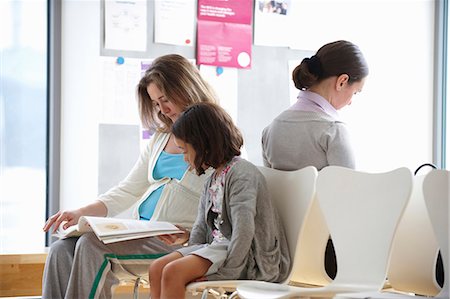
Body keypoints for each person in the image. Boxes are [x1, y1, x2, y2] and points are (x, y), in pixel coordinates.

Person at [41, 54, 218, 299]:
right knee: (61, 249)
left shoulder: (218, 138)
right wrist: (80, 213)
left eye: (165, 100)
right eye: (156, 103)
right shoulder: (161, 138)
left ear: (186, 89)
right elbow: (127, 190)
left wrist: (190, 235)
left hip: (178, 243)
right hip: (140, 233)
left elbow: (223, 209)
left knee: (92, 246)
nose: (163, 110)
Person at [149, 102, 291, 299]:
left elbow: (244, 231)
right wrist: (187, 242)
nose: (184, 158)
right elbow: (201, 230)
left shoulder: (242, 173)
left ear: (202, 144)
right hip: (219, 248)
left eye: (184, 151)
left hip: (246, 257)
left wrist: (226, 273)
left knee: (173, 272)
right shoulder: (212, 179)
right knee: (157, 268)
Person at [261, 40, 369, 279]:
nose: (351, 101)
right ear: (342, 81)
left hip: (279, 255)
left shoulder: (271, 129)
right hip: (327, 257)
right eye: (355, 92)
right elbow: (349, 202)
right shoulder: (333, 130)